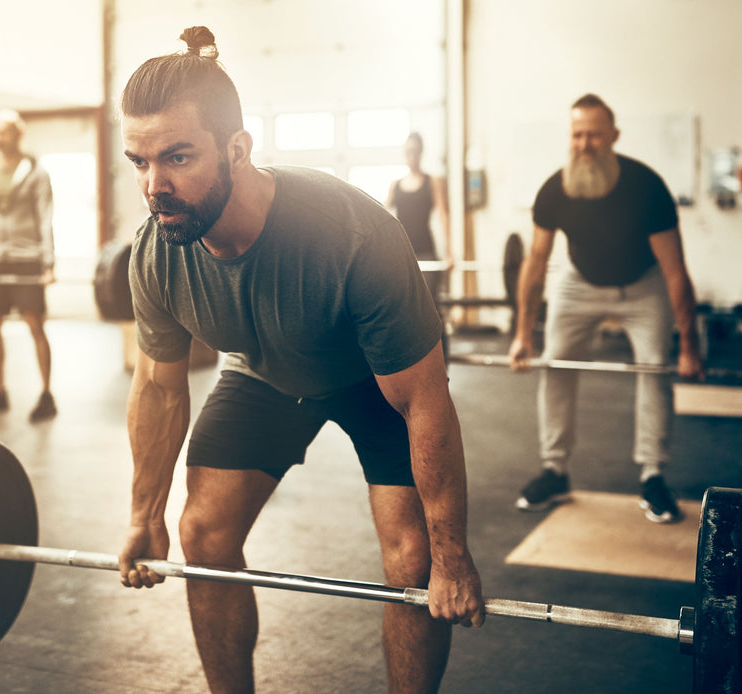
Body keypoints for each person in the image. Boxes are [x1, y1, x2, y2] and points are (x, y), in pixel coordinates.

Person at [116, 27, 484, 694]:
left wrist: (451, 557)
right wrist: (144, 519)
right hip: (262, 372)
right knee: (201, 534)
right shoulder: (154, 254)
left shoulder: (353, 235)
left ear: (237, 149)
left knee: (413, 558)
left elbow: (423, 400)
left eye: (176, 158)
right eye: (138, 162)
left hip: (375, 381)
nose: (154, 187)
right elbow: (161, 390)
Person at [507, 93, 703, 524]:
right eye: (577, 135)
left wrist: (689, 346)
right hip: (578, 282)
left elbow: (674, 272)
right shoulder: (556, 188)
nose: (584, 144)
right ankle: (554, 470)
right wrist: (523, 334)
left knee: (655, 369)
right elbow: (536, 264)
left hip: (643, 284)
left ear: (613, 136)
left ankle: (653, 476)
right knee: (555, 365)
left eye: (594, 134)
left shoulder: (646, 188)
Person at [0, 109, 57, 423]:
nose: (0, 139)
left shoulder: (36, 172)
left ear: (18, 135)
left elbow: (45, 218)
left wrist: (48, 262)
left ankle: (46, 394)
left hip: (27, 257)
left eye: (6, 133)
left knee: (34, 325)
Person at [385, 132, 452, 303]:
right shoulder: (396, 185)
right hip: (401, 254)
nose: (411, 156)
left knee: (427, 304)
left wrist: (449, 252)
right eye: (408, 151)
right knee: (404, 304)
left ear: (421, 152)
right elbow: (382, 218)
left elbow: (443, 215)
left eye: (415, 151)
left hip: (426, 252)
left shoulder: (432, 182)